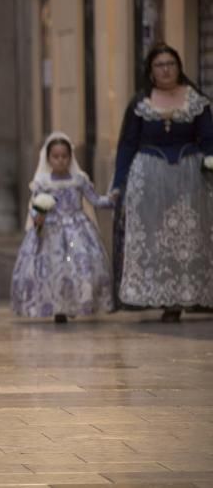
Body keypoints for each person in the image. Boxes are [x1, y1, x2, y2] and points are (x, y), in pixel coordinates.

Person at [111, 44, 213, 321]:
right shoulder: (141, 104)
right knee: (157, 239)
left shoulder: (195, 101)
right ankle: (164, 298)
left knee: (189, 237)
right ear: (151, 71)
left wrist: (209, 161)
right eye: (160, 64)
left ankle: (191, 295)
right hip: (149, 178)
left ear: (179, 67)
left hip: (189, 178)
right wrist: (118, 184)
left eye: (171, 63)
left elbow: (208, 139)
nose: (166, 69)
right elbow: (128, 144)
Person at [11, 133, 116, 323]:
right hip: (51, 231)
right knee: (54, 266)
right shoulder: (43, 183)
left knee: (81, 264)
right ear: (48, 158)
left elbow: (95, 200)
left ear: (70, 157)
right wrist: (39, 218)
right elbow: (36, 207)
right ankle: (57, 306)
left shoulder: (79, 180)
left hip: (77, 229)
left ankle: (77, 303)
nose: (60, 161)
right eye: (56, 157)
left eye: (64, 156)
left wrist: (111, 199)